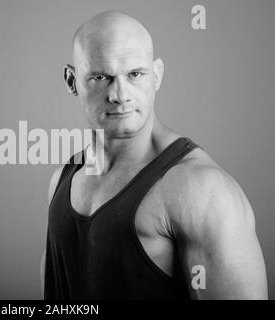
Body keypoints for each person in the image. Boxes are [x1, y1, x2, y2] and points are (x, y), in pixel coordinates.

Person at [40, 10, 267, 300]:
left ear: (156, 75)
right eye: (100, 77)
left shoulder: (202, 191)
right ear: (72, 81)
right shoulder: (62, 179)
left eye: (134, 74)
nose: (119, 95)